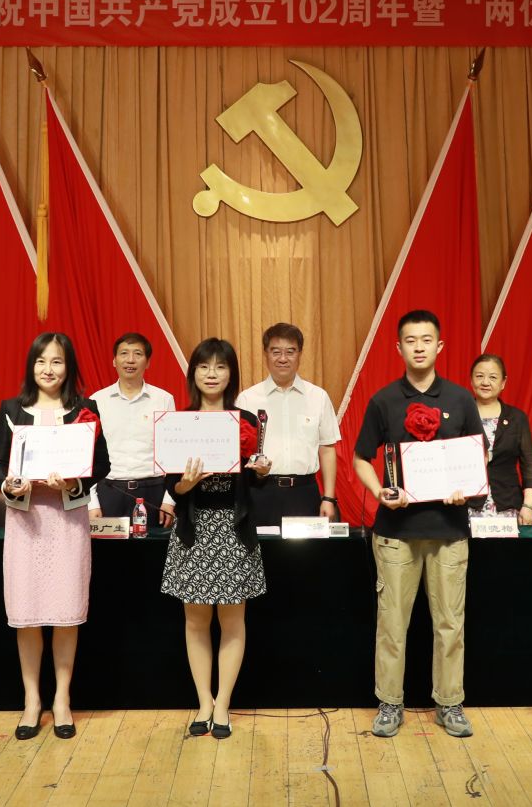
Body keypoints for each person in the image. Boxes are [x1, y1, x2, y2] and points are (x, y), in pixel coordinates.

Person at [352, 309, 483, 740]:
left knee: (450, 623)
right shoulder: (384, 400)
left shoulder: (461, 400)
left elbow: (476, 458)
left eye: (427, 339)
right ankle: (390, 703)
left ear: (440, 346)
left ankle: (450, 703)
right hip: (396, 532)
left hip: (449, 530)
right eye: (411, 340)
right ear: (399, 347)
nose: (419, 347)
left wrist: (464, 488)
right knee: (392, 623)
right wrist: (379, 491)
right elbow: (361, 458)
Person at [0, 331, 111, 741]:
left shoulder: (85, 410)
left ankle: (61, 699)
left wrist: (74, 482)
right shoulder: (11, 409)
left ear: (68, 366)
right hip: (25, 522)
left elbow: (102, 463)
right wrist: (10, 484)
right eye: (41, 361)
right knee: (27, 614)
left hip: (67, 519)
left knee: (65, 613)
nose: (48, 369)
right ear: (31, 366)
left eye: (57, 361)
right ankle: (31, 701)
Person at [162, 339, 271, 739]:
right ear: (193, 373)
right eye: (204, 366)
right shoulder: (178, 421)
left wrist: (261, 471)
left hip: (233, 528)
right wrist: (186, 485)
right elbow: (173, 487)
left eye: (220, 367)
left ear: (231, 374)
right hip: (194, 528)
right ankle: (203, 701)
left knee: (232, 619)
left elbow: (255, 481)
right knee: (195, 620)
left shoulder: (247, 421)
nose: (211, 374)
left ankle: (223, 703)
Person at [238, 323, 342, 524]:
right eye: (276, 352)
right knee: (260, 545)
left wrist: (328, 498)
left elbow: (327, 449)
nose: (283, 358)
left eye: (290, 352)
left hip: (304, 493)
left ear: (300, 354)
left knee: (305, 547)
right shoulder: (247, 399)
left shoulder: (318, 397)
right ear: (266, 354)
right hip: (260, 492)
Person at [89, 331, 177, 535]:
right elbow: (90, 457)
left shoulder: (164, 399)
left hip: (153, 492)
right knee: (109, 554)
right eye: (124, 353)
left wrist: (169, 500)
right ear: (114, 361)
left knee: (153, 553)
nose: (130, 360)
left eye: (138, 354)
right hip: (109, 492)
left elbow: (173, 454)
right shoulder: (96, 401)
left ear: (148, 362)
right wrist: (92, 503)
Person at [469, 354, 532, 524]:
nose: (485, 382)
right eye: (479, 376)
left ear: (503, 382)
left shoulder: (517, 418)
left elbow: (529, 465)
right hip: (467, 505)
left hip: (507, 506)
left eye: (493, 377)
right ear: (471, 380)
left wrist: (529, 506)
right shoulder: (461, 415)